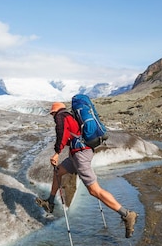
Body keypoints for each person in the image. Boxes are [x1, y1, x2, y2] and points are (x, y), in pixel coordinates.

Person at [36, 102, 138, 238]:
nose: (53, 117)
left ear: (55, 112)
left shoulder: (61, 117)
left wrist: (56, 153)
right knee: (58, 171)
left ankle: (126, 214)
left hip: (80, 155)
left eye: (52, 114)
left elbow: (61, 134)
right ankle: (50, 202)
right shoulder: (70, 116)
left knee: (94, 190)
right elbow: (68, 136)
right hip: (77, 154)